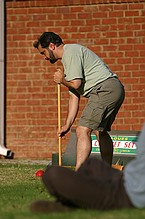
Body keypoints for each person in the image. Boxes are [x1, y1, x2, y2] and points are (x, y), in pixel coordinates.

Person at [33, 32, 125, 170]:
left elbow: (75, 84)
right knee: (100, 131)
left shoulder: (71, 52)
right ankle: (107, 172)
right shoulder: (69, 58)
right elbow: (74, 96)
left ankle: (79, 175)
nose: (45, 57)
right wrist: (67, 125)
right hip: (113, 89)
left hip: (104, 89)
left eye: (43, 52)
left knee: (82, 130)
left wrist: (62, 80)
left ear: (51, 46)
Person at [30, 123, 145, 212]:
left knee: (52, 174)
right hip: (125, 179)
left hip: (128, 194)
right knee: (92, 164)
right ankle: (80, 197)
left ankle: (73, 204)